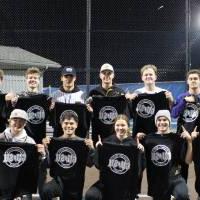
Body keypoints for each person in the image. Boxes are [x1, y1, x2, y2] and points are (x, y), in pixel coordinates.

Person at [39, 110, 94, 200]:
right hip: (59, 181)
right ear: (61, 124)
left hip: (75, 185)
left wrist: (92, 148)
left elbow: (90, 164)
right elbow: (48, 164)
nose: (69, 126)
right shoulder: (54, 142)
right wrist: (45, 150)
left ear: (76, 125)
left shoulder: (83, 143)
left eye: (71, 123)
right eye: (66, 123)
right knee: (46, 190)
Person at [138, 110, 192, 200]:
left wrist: (189, 141)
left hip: (175, 178)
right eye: (159, 120)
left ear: (169, 122)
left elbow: (188, 161)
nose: (162, 122)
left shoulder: (177, 138)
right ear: (155, 122)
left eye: (165, 120)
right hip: (157, 180)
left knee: (182, 195)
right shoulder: (148, 139)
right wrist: (137, 140)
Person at [85, 114, 141, 200]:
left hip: (125, 183)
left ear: (128, 126)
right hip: (108, 182)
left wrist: (141, 152)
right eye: (117, 125)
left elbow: (138, 169)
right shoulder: (107, 142)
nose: (120, 128)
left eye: (123, 125)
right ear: (114, 126)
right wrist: (97, 150)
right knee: (91, 195)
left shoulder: (133, 145)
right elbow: (98, 165)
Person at [0, 109, 46, 199]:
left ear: (25, 124)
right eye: (15, 120)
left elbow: (37, 165)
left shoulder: (30, 142)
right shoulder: (0, 138)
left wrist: (42, 155)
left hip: (21, 185)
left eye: (21, 121)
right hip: (3, 182)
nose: (18, 123)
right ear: (9, 121)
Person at [171, 69, 200, 194]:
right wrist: (184, 101)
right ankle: (183, 194)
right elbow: (174, 114)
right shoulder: (181, 97)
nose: (193, 80)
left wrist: (197, 101)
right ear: (187, 81)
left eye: (196, 78)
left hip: (198, 138)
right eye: (191, 78)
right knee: (183, 169)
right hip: (183, 138)